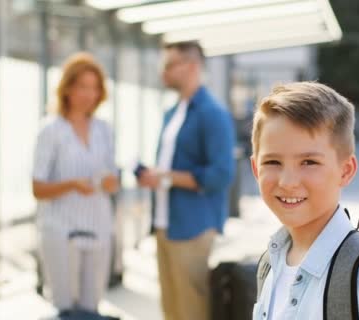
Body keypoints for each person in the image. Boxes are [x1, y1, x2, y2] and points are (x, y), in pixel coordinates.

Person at [251, 82, 359, 319]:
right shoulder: (271, 263)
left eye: (309, 162)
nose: (288, 181)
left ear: (345, 171)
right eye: (273, 162)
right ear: (255, 168)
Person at [137, 41, 235, 320]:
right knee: (171, 310)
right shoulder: (173, 112)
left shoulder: (212, 113)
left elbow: (221, 174)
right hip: (165, 224)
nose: (162, 72)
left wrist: (166, 177)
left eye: (169, 65)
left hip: (193, 226)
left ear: (192, 67)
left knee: (192, 310)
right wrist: (156, 176)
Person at [32, 52, 119, 312]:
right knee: (65, 308)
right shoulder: (50, 130)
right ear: (67, 88)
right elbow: (37, 188)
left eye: (94, 88)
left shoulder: (104, 130)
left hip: (98, 227)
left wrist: (111, 183)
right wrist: (71, 185)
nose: (89, 94)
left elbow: (112, 179)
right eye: (82, 86)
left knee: (92, 308)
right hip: (61, 231)